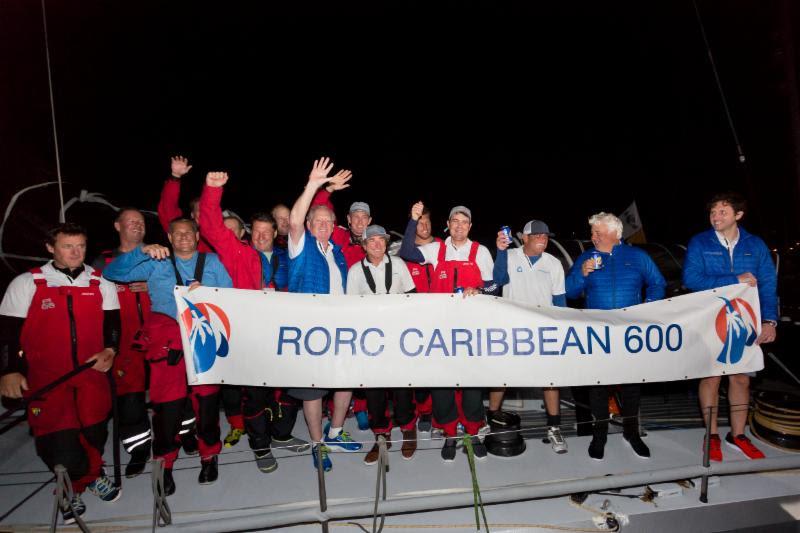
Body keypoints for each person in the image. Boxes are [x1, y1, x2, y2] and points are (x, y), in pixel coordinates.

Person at [0, 223, 121, 524]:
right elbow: (8, 335)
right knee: (58, 441)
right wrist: (10, 370)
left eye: (81, 246)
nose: (76, 252)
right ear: (50, 247)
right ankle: (74, 485)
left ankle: (85, 479)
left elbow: (113, 327)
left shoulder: (101, 283)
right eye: (68, 246)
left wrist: (110, 350)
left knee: (95, 432)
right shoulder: (27, 283)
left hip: (91, 374)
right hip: (48, 378)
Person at [103, 217, 232, 495]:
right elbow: (112, 273)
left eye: (189, 232)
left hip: (203, 338)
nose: (184, 237)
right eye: (177, 233)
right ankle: (165, 463)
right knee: (167, 406)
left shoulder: (212, 263)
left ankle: (209, 456)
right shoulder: (156, 262)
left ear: (197, 236)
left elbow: (231, 296)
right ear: (170, 238)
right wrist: (141, 251)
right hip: (166, 340)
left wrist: (210, 294)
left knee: (207, 403)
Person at [199, 172, 307, 473]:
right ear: (249, 232)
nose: (260, 237)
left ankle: (281, 435)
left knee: (287, 390)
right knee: (255, 395)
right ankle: (260, 445)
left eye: (266, 232)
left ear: (275, 233)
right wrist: (212, 191)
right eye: (256, 231)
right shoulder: (239, 254)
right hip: (250, 338)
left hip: (285, 337)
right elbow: (210, 227)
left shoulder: (289, 257)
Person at [682, 192, 778, 461]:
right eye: (713, 212)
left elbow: (768, 284)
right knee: (711, 377)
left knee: (741, 378)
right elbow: (691, 279)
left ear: (738, 215)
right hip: (709, 319)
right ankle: (711, 435)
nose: (715, 217)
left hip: (746, 319)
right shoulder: (700, 242)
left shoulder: (755, 245)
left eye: (722, 212)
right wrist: (734, 279)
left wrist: (770, 321)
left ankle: (738, 435)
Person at [399, 201, 496, 462]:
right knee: (442, 384)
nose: (460, 226)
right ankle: (450, 434)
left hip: (471, 330)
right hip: (440, 330)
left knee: (471, 383)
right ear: (448, 225)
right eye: (455, 221)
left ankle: (473, 433)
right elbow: (407, 251)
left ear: (470, 226)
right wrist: (413, 220)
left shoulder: (480, 251)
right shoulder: (436, 249)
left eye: (464, 222)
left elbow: (494, 286)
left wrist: (479, 290)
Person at [565, 212, 666, 460]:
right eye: (592, 232)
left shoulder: (638, 256)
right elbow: (570, 291)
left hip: (629, 333)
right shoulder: (586, 257)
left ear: (614, 233)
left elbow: (658, 283)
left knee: (631, 385)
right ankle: (599, 435)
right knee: (598, 386)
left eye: (597, 232)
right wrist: (581, 274)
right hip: (598, 334)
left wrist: (647, 307)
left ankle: (632, 433)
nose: (593, 237)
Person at [287, 157, 362, 471]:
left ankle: (335, 432)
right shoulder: (301, 247)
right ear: (308, 225)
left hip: (339, 330)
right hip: (310, 332)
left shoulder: (338, 254)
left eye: (327, 222)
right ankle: (317, 444)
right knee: (314, 390)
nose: (322, 225)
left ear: (334, 226)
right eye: (316, 221)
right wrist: (314, 185)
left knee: (345, 382)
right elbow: (293, 221)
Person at [493, 219, 568, 454]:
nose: (543, 240)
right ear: (524, 238)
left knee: (550, 379)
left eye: (545, 236)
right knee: (500, 376)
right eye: (537, 236)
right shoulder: (510, 255)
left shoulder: (553, 263)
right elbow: (498, 280)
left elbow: (560, 300)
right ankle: (491, 418)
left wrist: (563, 328)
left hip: (543, 330)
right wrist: (500, 251)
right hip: (511, 328)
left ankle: (554, 427)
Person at [346, 224, 418, 464]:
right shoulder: (355, 271)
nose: (377, 244)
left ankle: (408, 429)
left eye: (381, 240)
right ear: (364, 245)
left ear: (386, 243)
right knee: (374, 390)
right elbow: (350, 308)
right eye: (372, 240)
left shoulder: (398, 265)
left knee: (402, 387)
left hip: (398, 337)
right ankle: (381, 435)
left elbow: (413, 297)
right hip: (371, 341)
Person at [91, 208, 153, 477]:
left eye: (141, 221)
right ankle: (139, 449)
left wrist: (152, 285)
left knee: (174, 392)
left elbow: (179, 286)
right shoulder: (103, 262)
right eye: (131, 221)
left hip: (159, 333)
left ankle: (183, 436)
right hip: (124, 340)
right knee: (129, 397)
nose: (137, 225)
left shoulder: (157, 255)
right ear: (117, 226)